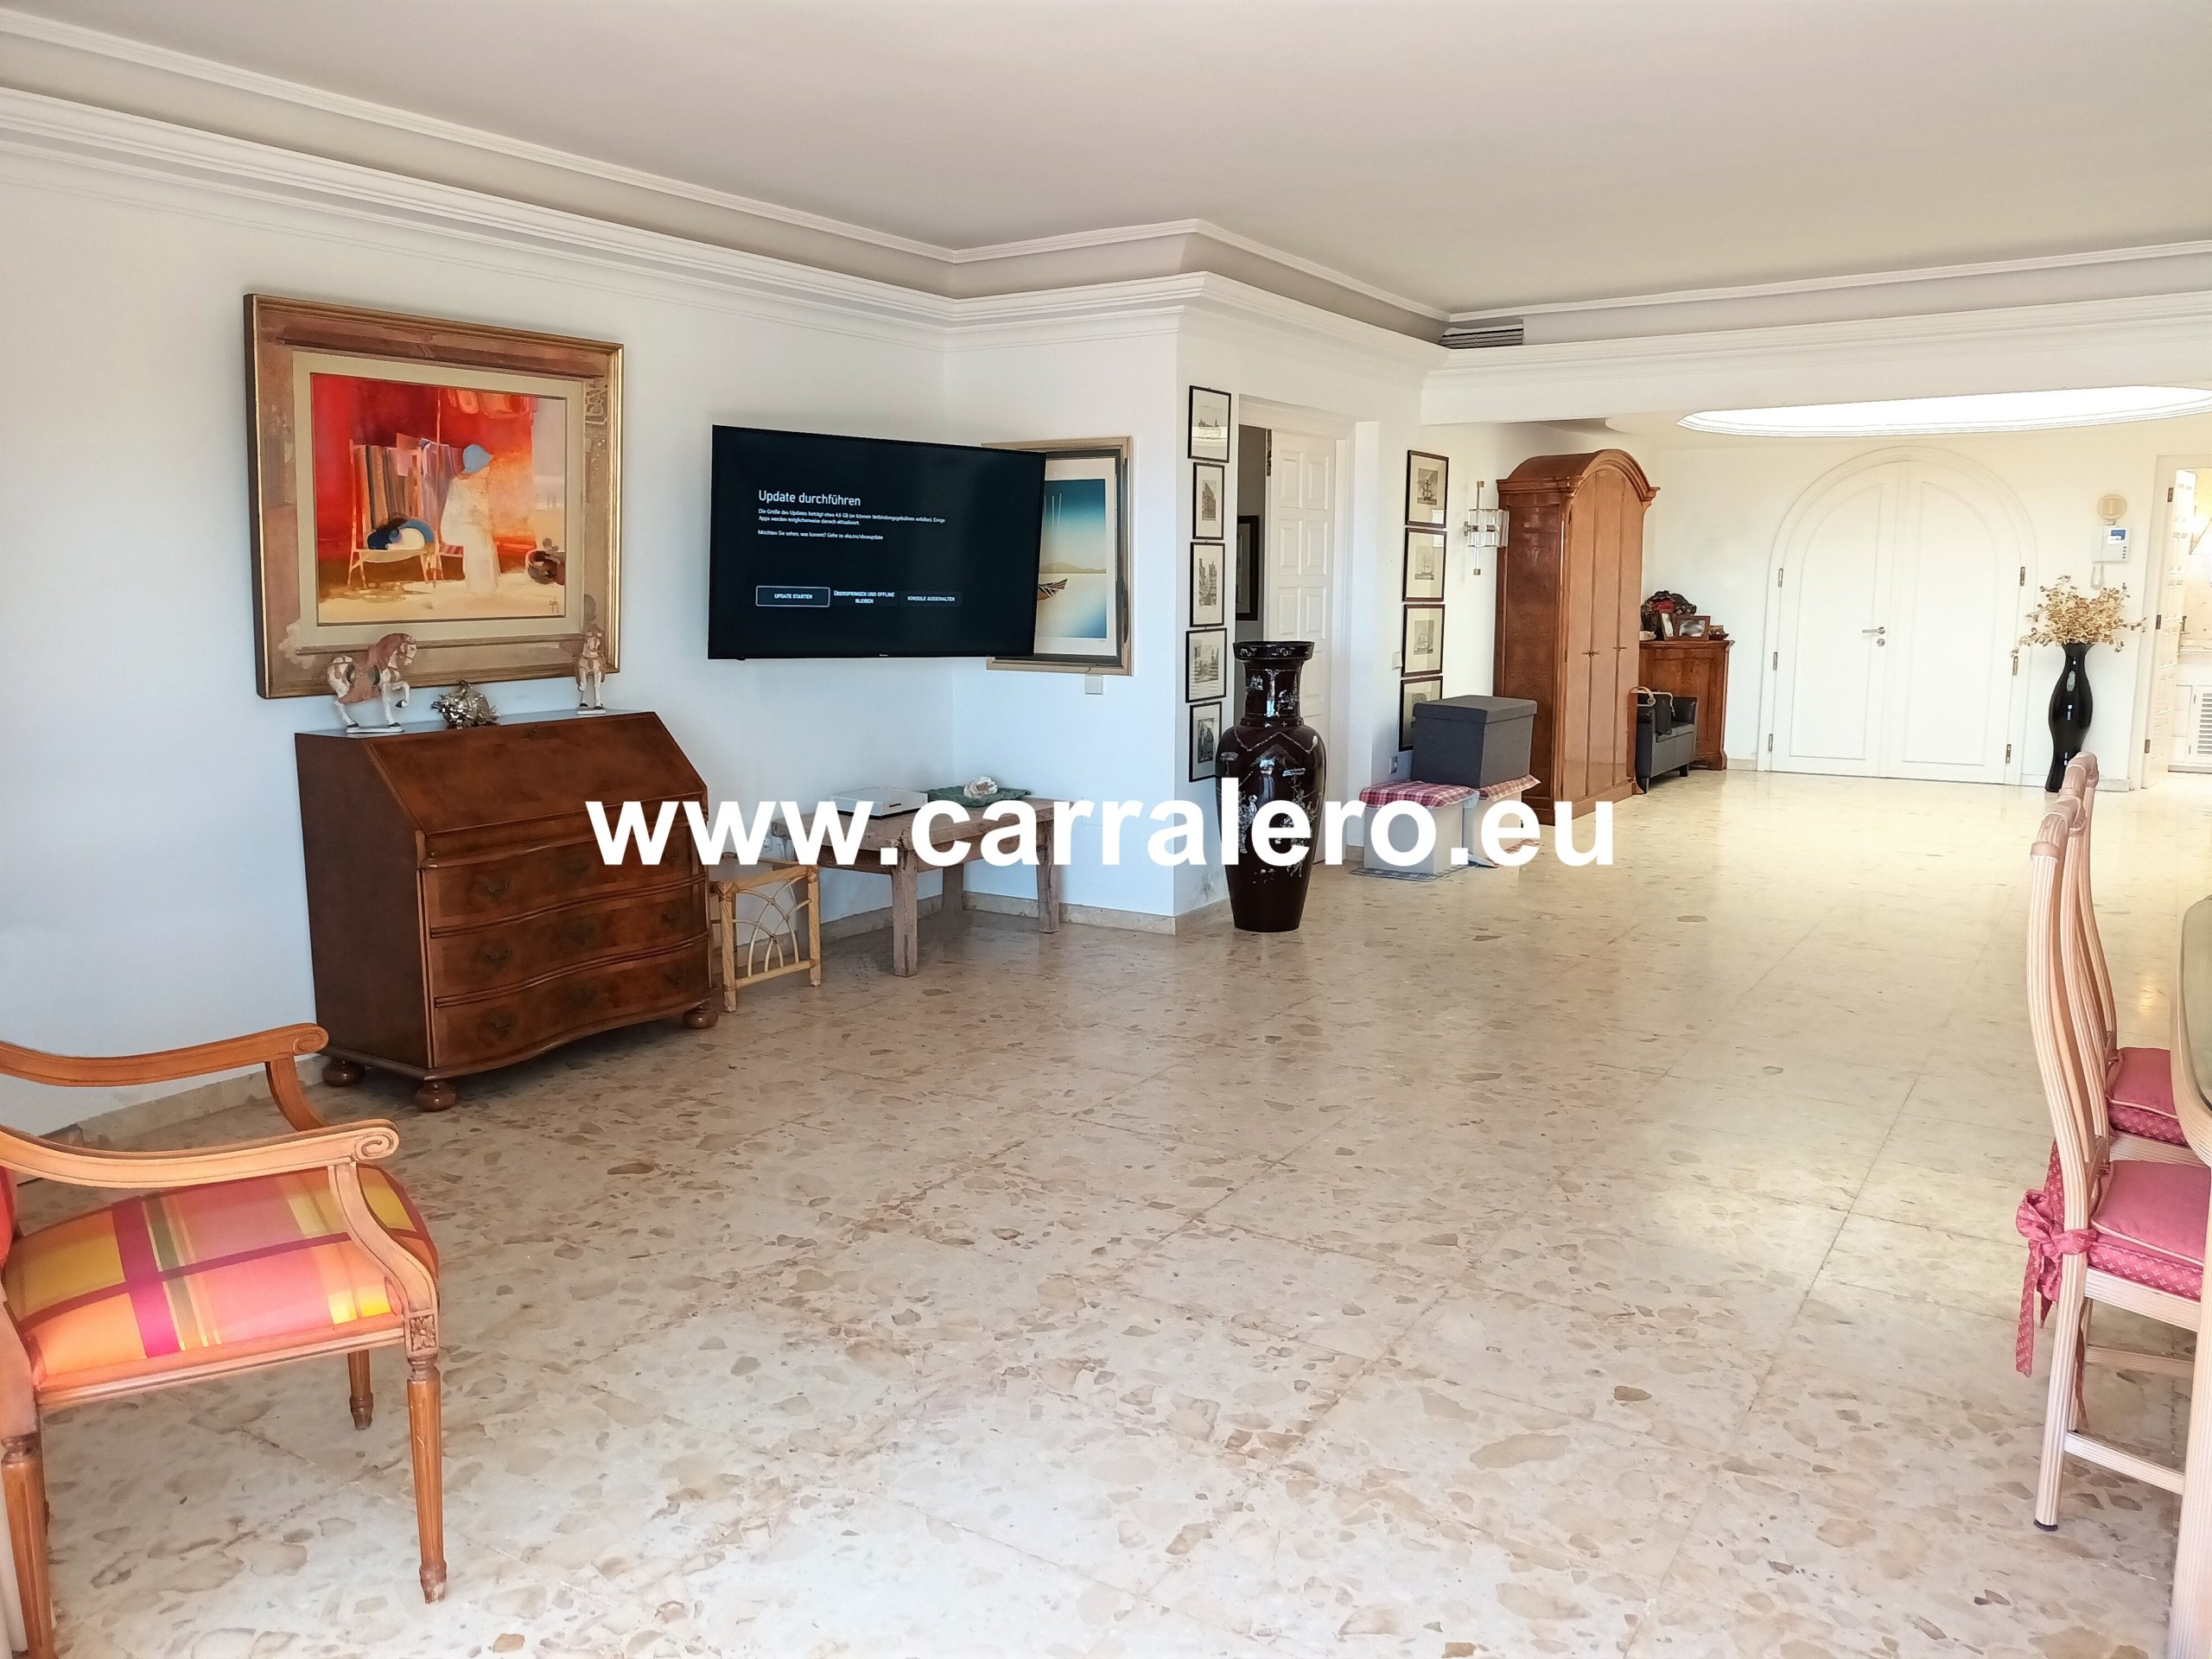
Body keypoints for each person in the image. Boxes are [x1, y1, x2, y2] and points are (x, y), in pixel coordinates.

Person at [441, 442, 498, 595]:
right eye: (485, 465)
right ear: (478, 466)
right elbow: (466, 512)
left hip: (470, 525)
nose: (489, 468)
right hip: (457, 527)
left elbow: (483, 512)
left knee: (483, 534)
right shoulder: (462, 485)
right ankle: (480, 585)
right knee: (478, 535)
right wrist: (483, 522)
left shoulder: (478, 483)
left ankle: (486, 583)